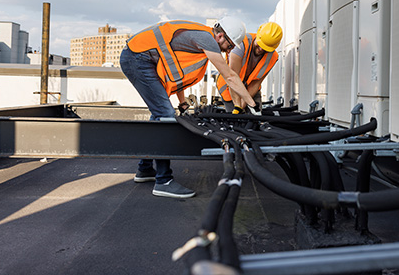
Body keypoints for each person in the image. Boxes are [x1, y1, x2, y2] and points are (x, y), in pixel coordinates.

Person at [120, 17, 261, 198]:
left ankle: (144, 169)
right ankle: (163, 181)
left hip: (139, 57)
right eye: (230, 45)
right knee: (165, 115)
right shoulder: (207, 39)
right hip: (137, 59)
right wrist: (252, 104)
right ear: (220, 36)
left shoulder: (200, 39)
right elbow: (230, 77)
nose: (229, 50)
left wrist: (182, 101)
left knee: (159, 115)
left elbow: (176, 74)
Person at [217, 22, 283, 113]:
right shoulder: (240, 44)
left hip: (251, 90)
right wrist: (237, 106)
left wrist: (243, 105)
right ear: (258, 35)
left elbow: (256, 84)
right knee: (233, 121)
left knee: (255, 119)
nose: (260, 49)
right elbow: (232, 77)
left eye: (265, 48)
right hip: (229, 88)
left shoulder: (272, 57)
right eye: (259, 44)